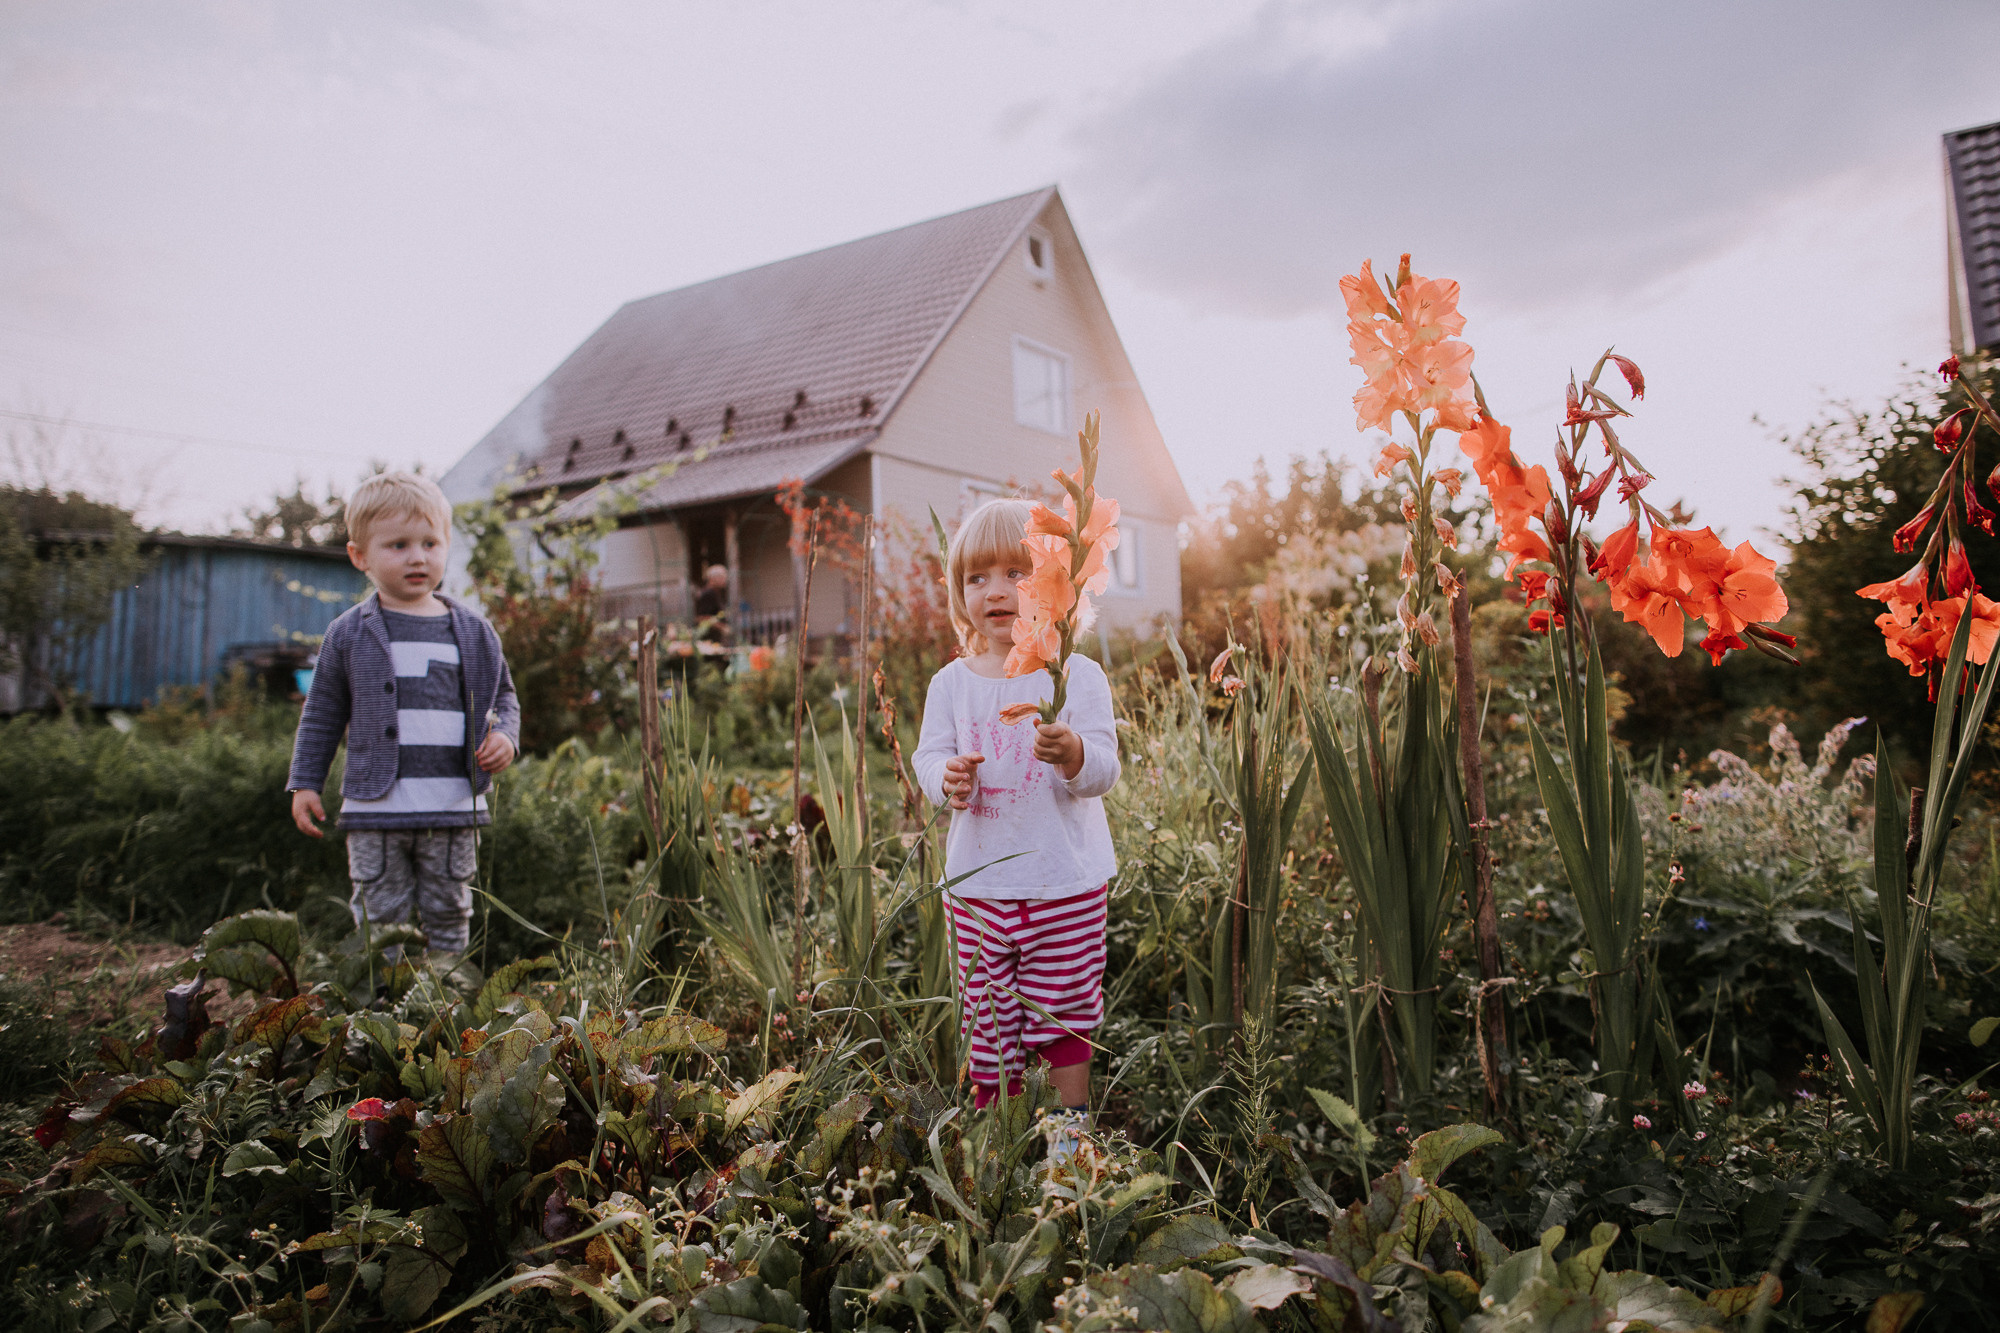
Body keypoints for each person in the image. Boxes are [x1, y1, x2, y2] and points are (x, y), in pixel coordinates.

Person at [912, 498, 1120, 1129]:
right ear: (959, 592)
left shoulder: (1075, 675)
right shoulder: (951, 685)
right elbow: (929, 758)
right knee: (987, 1018)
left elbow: (1104, 771)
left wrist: (1075, 753)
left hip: (1064, 885)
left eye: (1017, 574)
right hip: (979, 889)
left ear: (1059, 587)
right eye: (977, 578)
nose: (996, 592)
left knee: (1065, 1013)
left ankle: (1067, 1134)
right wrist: (945, 779)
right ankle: (998, 1139)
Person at [286, 471, 520, 957]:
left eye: (430, 543)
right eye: (398, 545)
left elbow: (503, 699)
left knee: (449, 914)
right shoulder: (348, 633)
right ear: (360, 556)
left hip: (453, 807)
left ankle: (450, 1009)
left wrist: (506, 738)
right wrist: (306, 782)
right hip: (377, 811)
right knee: (379, 918)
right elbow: (322, 713)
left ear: (446, 546)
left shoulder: (475, 632)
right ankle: (382, 1015)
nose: (418, 557)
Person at [692, 563, 731, 644]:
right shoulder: (708, 594)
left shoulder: (715, 593)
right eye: (722, 577)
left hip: (714, 640)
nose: (725, 580)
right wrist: (721, 627)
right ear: (713, 578)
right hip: (708, 641)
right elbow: (700, 617)